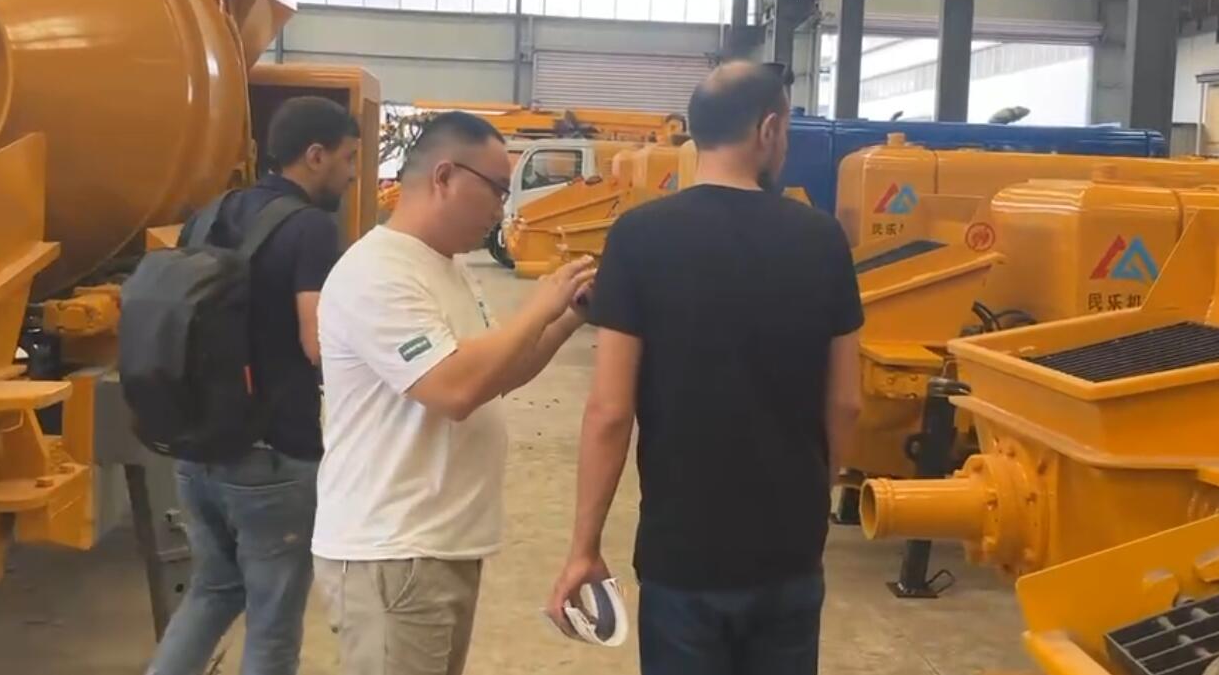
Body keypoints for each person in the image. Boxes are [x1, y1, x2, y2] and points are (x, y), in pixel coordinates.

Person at [546, 61, 864, 675]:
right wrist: (808, 498)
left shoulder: (639, 236)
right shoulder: (822, 239)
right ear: (768, 130)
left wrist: (584, 547)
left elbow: (610, 411)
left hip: (682, 553)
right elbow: (846, 402)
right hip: (788, 553)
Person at [313, 111, 597, 675]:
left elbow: (494, 374)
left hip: (439, 547)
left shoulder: (447, 267)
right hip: (393, 551)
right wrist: (539, 306)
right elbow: (454, 388)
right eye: (496, 189)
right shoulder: (377, 273)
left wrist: (568, 317)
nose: (501, 209)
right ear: (444, 176)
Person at [149, 96, 361, 675]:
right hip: (271, 460)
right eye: (347, 158)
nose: (350, 173)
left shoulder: (209, 214)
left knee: (212, 592)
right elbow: (317, 343)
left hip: (197, 450)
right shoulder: (309, 228)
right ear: (314, 155)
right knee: (272, 623)